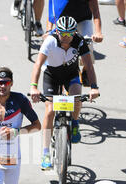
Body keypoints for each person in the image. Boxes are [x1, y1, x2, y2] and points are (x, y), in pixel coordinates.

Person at [29, 16, 99, 170]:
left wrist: (94, 87)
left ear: (75, 32)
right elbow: (38, 64)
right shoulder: (50, 41)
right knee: (50, 110)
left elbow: (89, 65)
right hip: (52, 76)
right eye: (62, 33)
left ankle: (74, 123)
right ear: (57, 31)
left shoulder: (79, 41)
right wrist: (33, 87)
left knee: (76, 98)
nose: (66, 37)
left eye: (70, 34)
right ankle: (46, 152)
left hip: (71, 75)